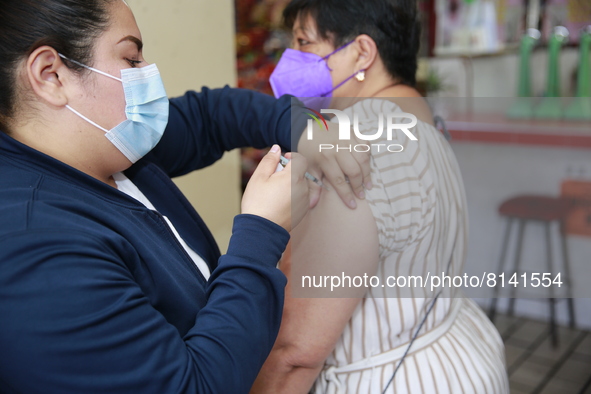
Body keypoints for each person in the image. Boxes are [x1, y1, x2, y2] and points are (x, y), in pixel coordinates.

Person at [0, 0, 371, 393]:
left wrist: (304, 126)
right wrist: (260, 234)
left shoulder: (107, 148)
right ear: (50, 75)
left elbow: (211, 116)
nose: (149, 74)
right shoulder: (36, 249)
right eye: (131, 58)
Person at [252, 0, 510, 393]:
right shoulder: (420, 119)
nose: (291, 59)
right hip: (458, 354)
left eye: (304, 43)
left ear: (362, 52)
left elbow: (295, 350)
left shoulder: (348, 146)